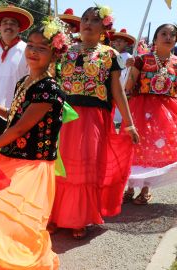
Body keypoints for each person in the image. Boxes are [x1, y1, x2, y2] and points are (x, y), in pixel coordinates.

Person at [0, 17, 69, 269]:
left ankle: (19, 261)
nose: (33, 51)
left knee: (18, 216)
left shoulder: (49, 89)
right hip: (11, 158)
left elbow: (21, 128)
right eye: (31, 44)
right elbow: (16, 114)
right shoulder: (25, 82)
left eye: (42, 47)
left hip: (32, 164)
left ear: (54, 54)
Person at [49, 5, 140, 239]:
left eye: (94, 20)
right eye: (85, 19)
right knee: (59, 166)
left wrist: (129, 123)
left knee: (83, 169)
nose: (88, 23)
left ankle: (79, 217)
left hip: (93, 119)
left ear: (104, 27)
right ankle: (56, 216)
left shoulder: (110, 54)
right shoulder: (63, 50)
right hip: (64, 115)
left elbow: (117, 91)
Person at [124, 24, 177, 204]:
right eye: (164, 33)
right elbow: (128, 87)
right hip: (141, 108)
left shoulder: (176, 62)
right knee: (135, 148)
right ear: (155, 38)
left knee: (154, 151)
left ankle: (146, 189)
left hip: (166, 113)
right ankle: (129, 188)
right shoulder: (142, 59)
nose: (168, 37)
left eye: (173, 35)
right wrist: (131, 69)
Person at [0, 5, 32, 140]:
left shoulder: (28, 50)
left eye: (13, 23)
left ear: (19, 28)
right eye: (5, 23)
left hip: (12, 113)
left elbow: (31, 80)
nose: (8, 26)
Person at [110, 28, 136, 124]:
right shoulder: (111, 54)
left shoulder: (128, 57)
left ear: (126, 43)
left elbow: (128, 71)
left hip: (121, 84)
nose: (117, 43)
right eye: (116, 41)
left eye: (120, 41)